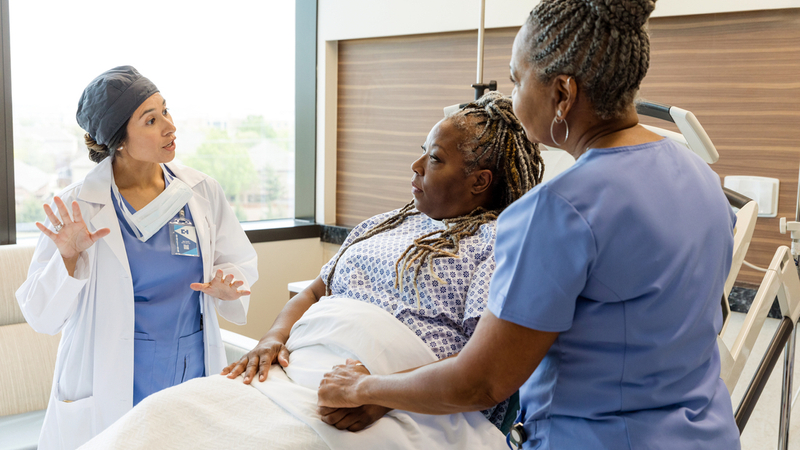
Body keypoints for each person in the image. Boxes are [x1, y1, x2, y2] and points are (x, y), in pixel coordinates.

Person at [317, 1, 742, 449]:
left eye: (518, 81)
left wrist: (364, 387)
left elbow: (482, 383)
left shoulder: (556, 211)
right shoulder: (702, 178)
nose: (513, 97)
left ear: (562, 94)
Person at [78, 92, 543, 450]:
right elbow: (316, 291)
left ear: (480, 181)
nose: (416, 165)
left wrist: (381, 391)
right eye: (423, 150)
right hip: (298, 372)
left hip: (393, 400)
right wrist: (272, 338)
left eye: (436, 159)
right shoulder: (383, 223)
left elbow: (484, 370)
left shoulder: (499, 242)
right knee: (159, 418)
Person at [16, 66, 258, 449]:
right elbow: (41, 315)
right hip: (111, 374)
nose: (169, 126)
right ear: (120, 140)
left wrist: (228, 285)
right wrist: (66, 257)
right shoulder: (76, 206)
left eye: (166, 111)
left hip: (189, 366)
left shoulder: (200, 191)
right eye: (151, 119)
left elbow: (239, 263)